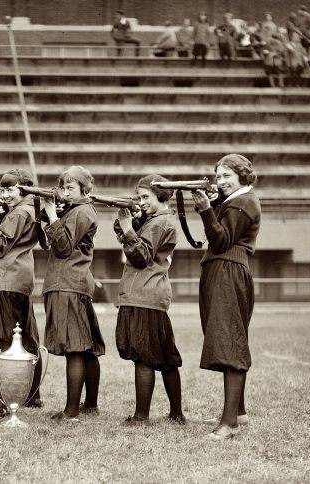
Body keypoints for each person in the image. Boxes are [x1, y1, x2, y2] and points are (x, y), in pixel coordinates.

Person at [191, 154, 261, 440]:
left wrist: (207, 210)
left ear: (243, 175)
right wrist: (214, 204)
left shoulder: (243, 202)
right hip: (224, 272)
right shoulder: (237, 201)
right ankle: (238, 413)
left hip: (228, 273)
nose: (220, 181)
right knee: (226, 337)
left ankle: (229, 423)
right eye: (218, 176)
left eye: (226, 176)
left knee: (229, 342)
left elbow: (220, 240)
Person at [114, 175, 185, 426]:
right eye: (139, 197)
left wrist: (127, 228)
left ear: (162, 197)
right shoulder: (158, 220)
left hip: (144, 295)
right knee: (165, 357)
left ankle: (141, 416)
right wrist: (128, 224)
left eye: (146, 197)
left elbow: (140, 256)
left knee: (143, 357)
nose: (141, 202)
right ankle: (177, 415)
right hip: (152, 295)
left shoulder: (159, 223)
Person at [41, 166, 105, 422]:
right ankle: (90, 404)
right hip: (74, 283)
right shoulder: (75, 210)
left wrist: (51, 215)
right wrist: (48, 218)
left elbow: (64, 247)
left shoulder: (81, 211)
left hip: (68, 283)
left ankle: (71, 411)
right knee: (85, 348)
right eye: (63, 187)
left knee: (75, 349)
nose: (65, 192)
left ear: (85, 189)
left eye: (71, 188)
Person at [0, 168, 43, 417]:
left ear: (25, 189)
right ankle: (31, 394)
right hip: (19, 279)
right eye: (3, 190)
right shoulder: (27, 210)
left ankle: (2, 401)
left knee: (8, 342)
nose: (5, 195)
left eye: (10, 190)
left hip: (6, 280)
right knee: (26, 340)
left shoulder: (20, 212)